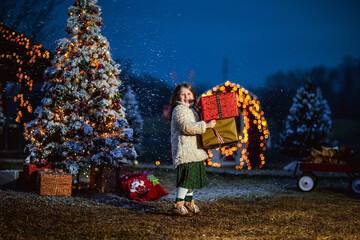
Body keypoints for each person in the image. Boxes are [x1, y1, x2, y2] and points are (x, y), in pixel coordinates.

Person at [169, 83, 216, 216]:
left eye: (189, 94)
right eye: (183, 94)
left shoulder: (193, 110)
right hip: (185, 150)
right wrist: (205, 125)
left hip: (195, 150)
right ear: (178, 97)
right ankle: (178, 204)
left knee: (192, 178)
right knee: (186, 178)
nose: (186, 97)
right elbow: (186, 127)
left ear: (193, 95)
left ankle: (189, 202)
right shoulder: (179, 110)